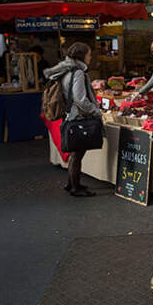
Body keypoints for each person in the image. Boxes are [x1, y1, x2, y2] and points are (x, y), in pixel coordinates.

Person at [44, 42, 101, 197]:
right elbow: (80, 99)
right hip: (78, 117)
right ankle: (75, 187)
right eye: (89, 54)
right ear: (82, 56)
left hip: (69, 115)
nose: (90, 57)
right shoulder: (78, 73)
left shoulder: (67, 70)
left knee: (75, 154)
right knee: (77, 154)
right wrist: (96, 111)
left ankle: (71, 183)